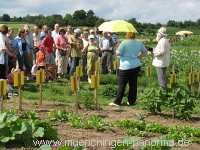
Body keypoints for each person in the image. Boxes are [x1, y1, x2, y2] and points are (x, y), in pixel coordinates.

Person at [109, 32, 147, 106]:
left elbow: (117, 53)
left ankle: (118, 101)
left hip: (125, 66)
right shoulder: (139, 42)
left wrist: (117, 47)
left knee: (122, 84)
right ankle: (131, 101)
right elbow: (145, 52)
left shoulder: (124, 43)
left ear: (127, 35)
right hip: (135, 65)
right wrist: (139, 56)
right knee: (133, 84)